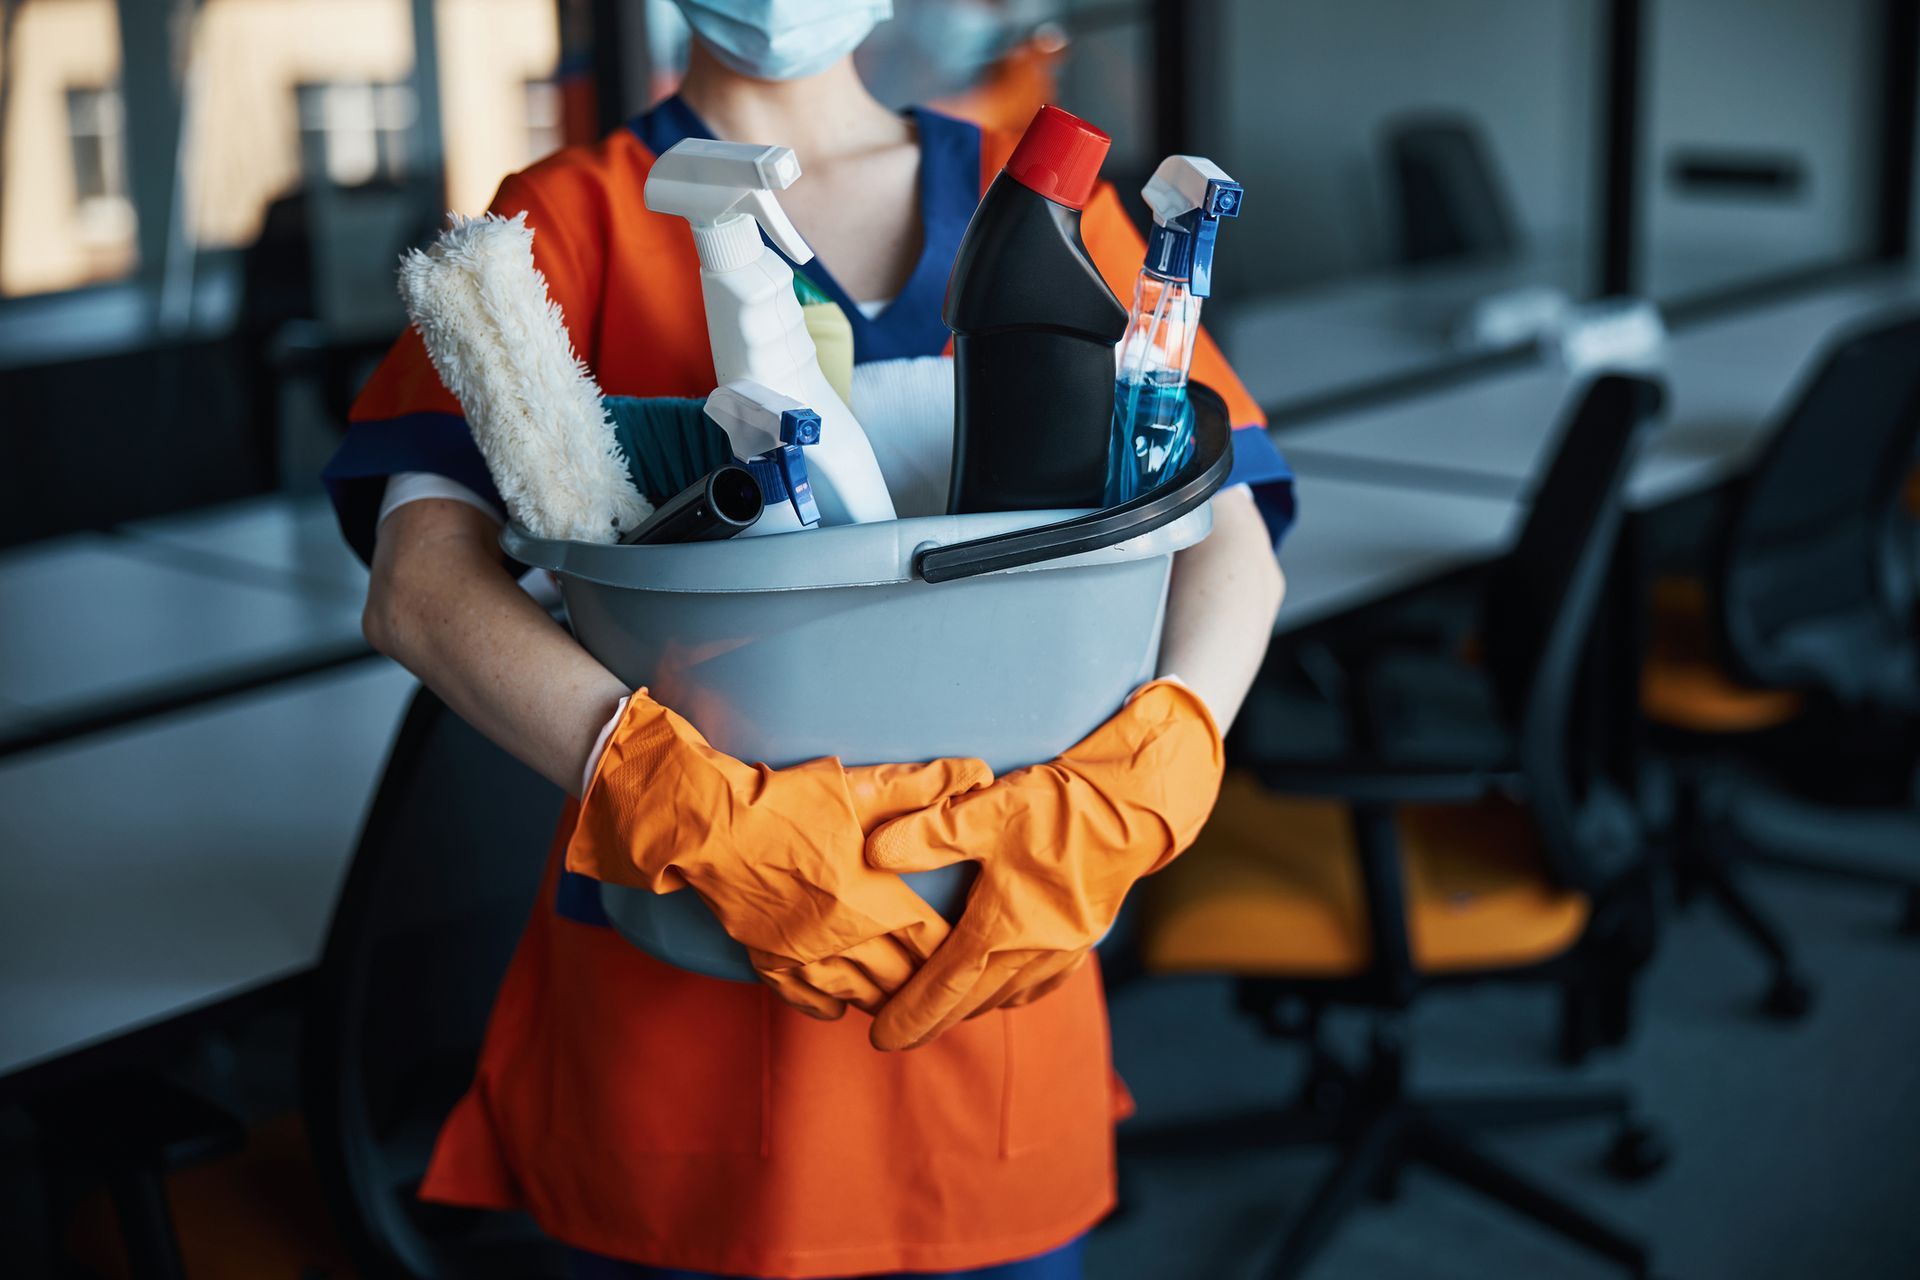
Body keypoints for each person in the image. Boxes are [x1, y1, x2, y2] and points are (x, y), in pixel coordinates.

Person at [322, 3, 1292, 1277]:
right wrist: (678, 802)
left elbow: (1227, 535)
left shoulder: (1050, 198)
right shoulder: (572, 214)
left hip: (996, 984)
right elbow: (420, 586)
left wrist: (1151, 773)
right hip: (685, 1037)